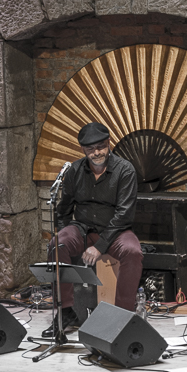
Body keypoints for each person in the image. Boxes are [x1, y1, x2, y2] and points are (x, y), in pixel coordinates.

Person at [43, 122, 144, 337]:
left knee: (133, 252)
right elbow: (63, 210)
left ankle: (123, 316)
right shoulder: (74, 171)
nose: (96, 152)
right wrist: (63, 235)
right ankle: (65, 310)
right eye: (90, 149)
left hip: (115, 230)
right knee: (57, 244)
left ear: (108, 144)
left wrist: (99, 247)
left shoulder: (125, 170)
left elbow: (124, 214)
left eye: (100, 147)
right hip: (82, 228)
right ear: (82, 149)